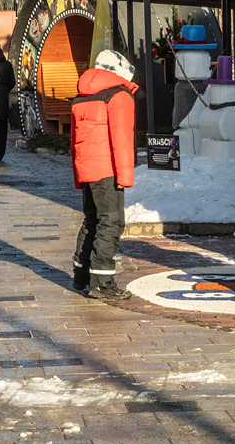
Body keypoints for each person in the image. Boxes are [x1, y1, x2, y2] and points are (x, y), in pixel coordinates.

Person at [69, 49, 139, 300]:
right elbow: (122, 141)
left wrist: (79, 175)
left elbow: (74, 141)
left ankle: (81, 276)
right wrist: (125, 177)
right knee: (112, 222)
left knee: (92, 220)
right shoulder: (118, 96)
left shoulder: (82, 96)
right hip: (107, 170)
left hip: (88, 169)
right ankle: (102, 282)